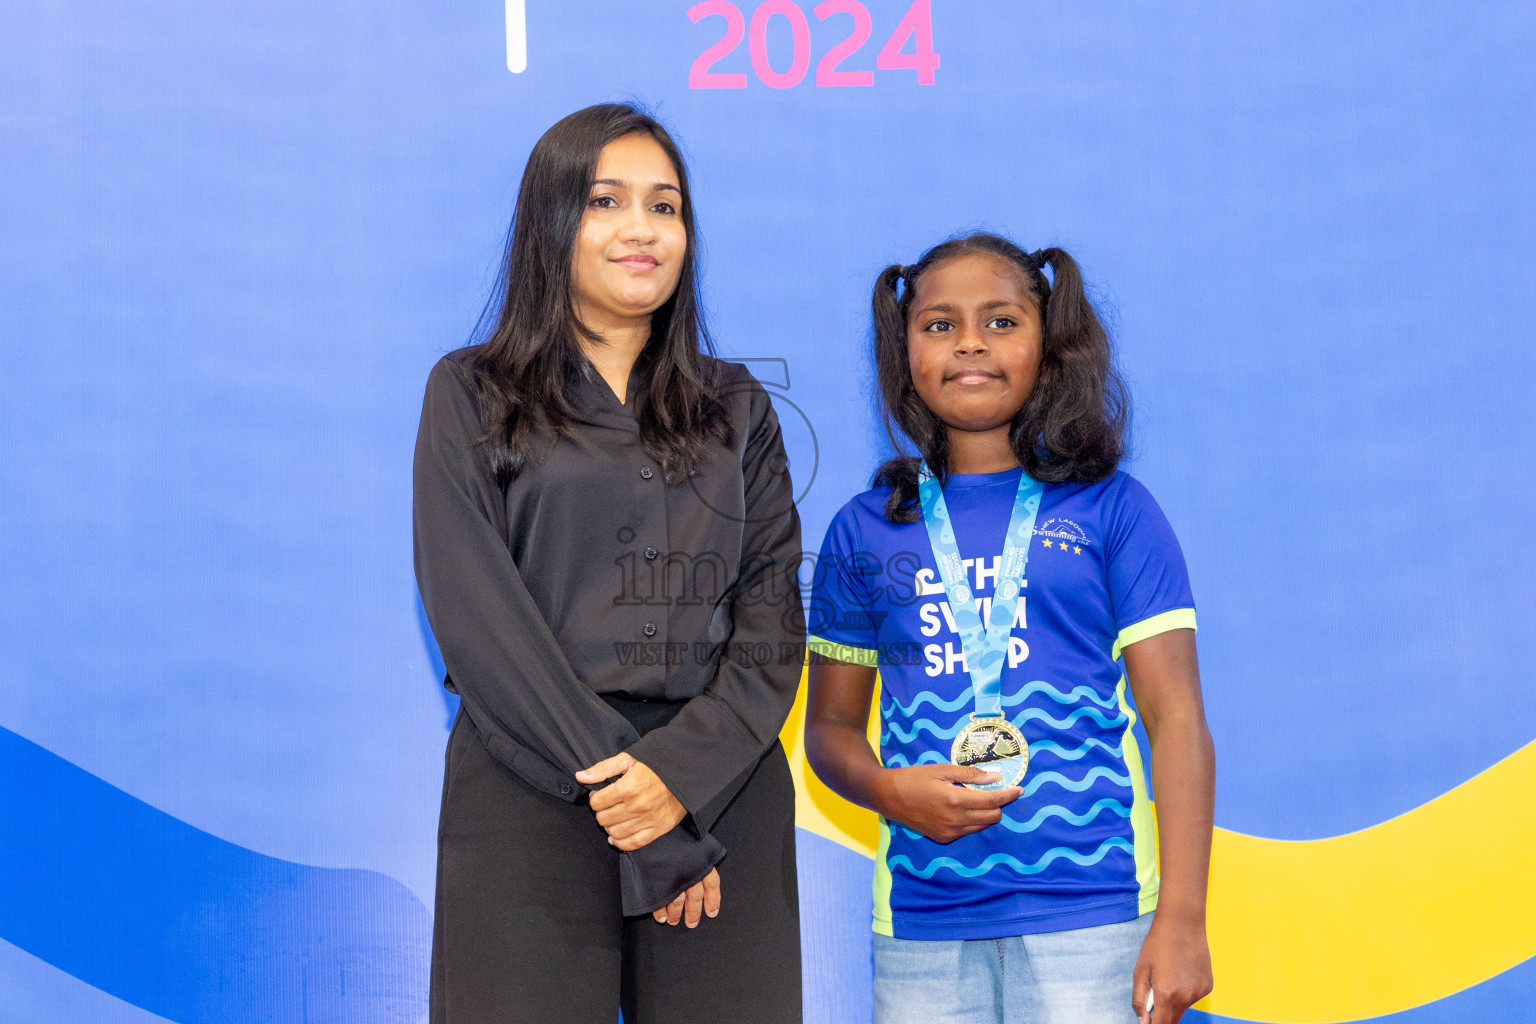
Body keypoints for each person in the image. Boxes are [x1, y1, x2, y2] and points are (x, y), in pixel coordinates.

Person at [414, 103, 805, 1024]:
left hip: (721, 792)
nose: (643, 229)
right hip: (529, 787)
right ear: (554, 224)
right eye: (606, 200)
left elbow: (772, 613)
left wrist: (679, 783)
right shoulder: (471, 392)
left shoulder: (737, 405)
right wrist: (633, 793)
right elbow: (478, 617)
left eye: (665, 207)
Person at [804, 234, 1215, 1024]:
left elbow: (1178, 719)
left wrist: (1185, 918)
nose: (969, 343)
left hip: (1095, 908)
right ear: (904, 353)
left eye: (1000, 322)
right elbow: (828, 729)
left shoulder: (1113, 510)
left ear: (1048, 345)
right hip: (923, 922)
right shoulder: (865, 530)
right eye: (938, 325)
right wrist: (887, 790)